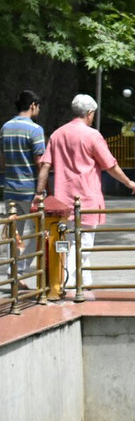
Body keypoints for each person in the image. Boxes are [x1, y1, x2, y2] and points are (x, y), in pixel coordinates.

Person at [37, 94, 135, 292]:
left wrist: (40, 192)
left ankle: (84, 281)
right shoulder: (92, 135)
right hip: (87, 198)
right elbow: (110, 165)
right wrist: (128, 182)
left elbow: (45, 165)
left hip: (62, 199)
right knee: (84, 244)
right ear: (90, 113)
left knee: (69, 241)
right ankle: (72, 283)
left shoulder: (58, 134)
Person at [2, 90, 46, 287]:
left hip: (10, 188)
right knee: (40, 233)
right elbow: (40, 162)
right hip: (29, 190)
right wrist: (42, 190)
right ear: (33, 105)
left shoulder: (5, 128)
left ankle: (13, 275)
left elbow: (3, 159)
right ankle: (18, 270)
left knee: (15, 234)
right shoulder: (35, 130)